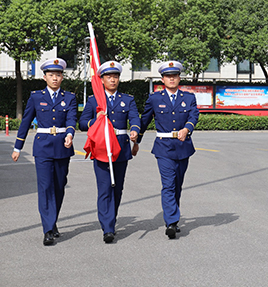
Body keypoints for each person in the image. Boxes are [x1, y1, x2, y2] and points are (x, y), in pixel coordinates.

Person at [11, 58, 77, 246]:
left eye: (58, 75)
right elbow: (25, 122)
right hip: (43, 147)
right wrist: (17, 147)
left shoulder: (69, 97)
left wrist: (70, 134)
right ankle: (48, 229)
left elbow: (72, 119)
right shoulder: (36, 97)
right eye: (51, 75)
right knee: (45, 187)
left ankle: (52, 221)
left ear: (62, 77)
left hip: (63, 147)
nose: (55, 78)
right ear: (44, 77)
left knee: (59, 186)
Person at [79, 61, 140, 243]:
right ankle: (108, 228)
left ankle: (110, 219)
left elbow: (135, 117)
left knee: (117, 188)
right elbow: (82, 123)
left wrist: (135, 129)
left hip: (120, 148)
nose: (112, 80)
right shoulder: (94, 100)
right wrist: (95, 120)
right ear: (102, 79)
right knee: (105, 188)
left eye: (115, 77)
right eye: (108, 77)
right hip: (101, 148)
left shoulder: (127, 99)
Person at [137, 61, 199, 239]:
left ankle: (174, 217)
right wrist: (136, 140)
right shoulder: (155, 98)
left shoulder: (188, 97)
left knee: (177, 185)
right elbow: (145, 120)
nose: (171, 79)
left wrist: (187, 128)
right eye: (168, 76)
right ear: (162, 79)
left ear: (179, 78)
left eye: (174, 76)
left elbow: (194, 114)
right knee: (168, 184)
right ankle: (171, 222)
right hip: (163, 147)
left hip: (183, 147)